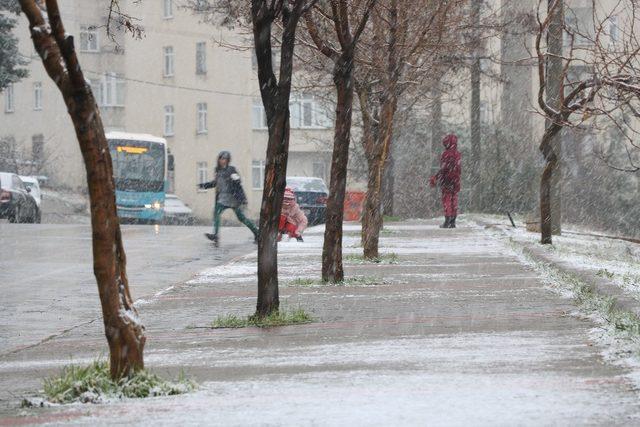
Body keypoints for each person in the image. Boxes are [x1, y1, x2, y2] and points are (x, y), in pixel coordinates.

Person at [198, 151, 259, 246]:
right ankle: (216, 235)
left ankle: (256, 232)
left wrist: (236, 179)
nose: (223, 161)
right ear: (219, 159)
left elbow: (238, 181)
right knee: (216, 213)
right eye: (221, 158)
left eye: (225, 159)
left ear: (228, 160)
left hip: (233, 197)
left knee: (241, 218)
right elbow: (216, 183)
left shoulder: (231, 169)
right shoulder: (217, 170)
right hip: (222, 198)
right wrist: (204, 185)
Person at [430, 134, 462, 228]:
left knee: (447, 199)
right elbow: (459, 169)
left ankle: (447, 219)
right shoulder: (458, 154)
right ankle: (453, 221)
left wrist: (436, 177)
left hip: (447, 180)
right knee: (454, 199)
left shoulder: (445, 154)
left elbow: (443, 169)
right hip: (456, 180)